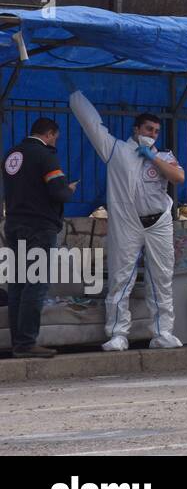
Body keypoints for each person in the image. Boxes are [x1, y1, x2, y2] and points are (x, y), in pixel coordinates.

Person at [68, 82, 186, 350]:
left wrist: (152, 158)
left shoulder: (164, 156)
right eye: (148, 130)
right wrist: (76, 95)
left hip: (159, 222)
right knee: (121, 278)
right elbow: (93, 126)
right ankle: (118, 333)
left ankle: (162, 332)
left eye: (156, 131)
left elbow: (178, 177)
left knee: (162, 277)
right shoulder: (116, 150)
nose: (152, 135)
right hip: (127, 223)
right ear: (136, 130)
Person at [3, 118, 77, 358]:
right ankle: (26, 344)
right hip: (39, 227)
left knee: (17, 284)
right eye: (55, 137)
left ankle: (18, 342)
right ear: (50, 134)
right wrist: (70, 190)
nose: (55, 141)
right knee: (35, 284)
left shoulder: (12, 155)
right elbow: (58, 192)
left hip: (14, 225)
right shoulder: (45, 156)